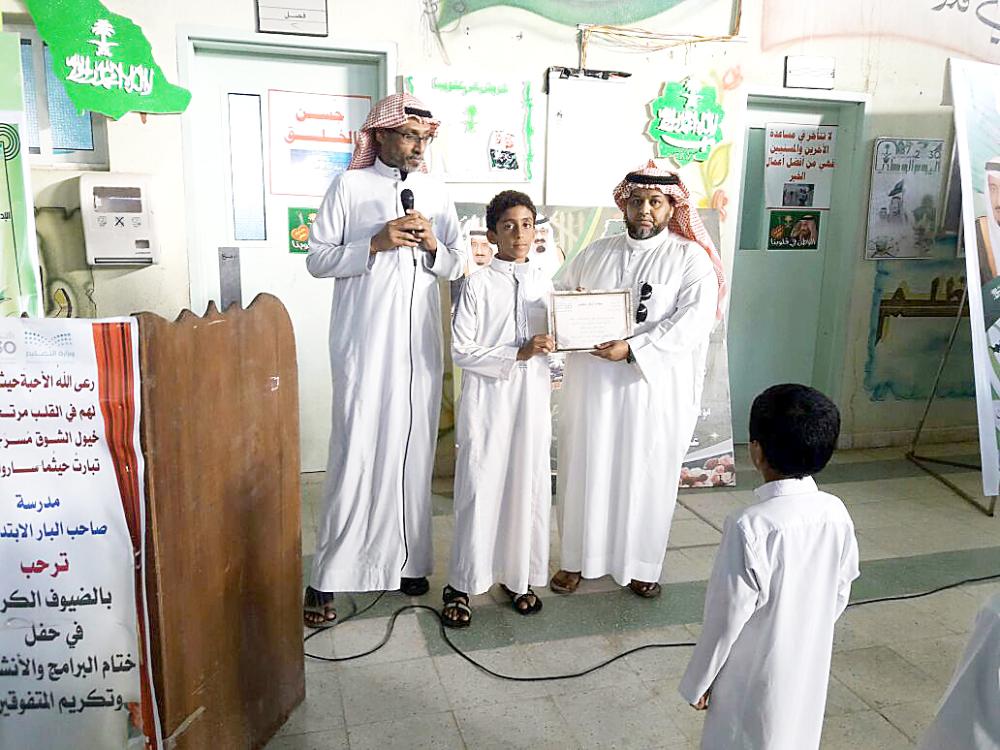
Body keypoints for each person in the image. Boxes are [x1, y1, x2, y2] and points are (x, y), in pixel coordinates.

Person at [302, 93, 465, 626]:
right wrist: (373, 243)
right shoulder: (348, 186)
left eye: (424, 138)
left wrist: (435, 245)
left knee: (413, 452)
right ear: (381, 135)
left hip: (419, 347)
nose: (418, 147)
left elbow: (458, 263)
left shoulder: (436, 191)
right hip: (365, 344)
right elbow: (317, 260)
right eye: (409, 136)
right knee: (357, 450)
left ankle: (410, 563)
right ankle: (328, 575)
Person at [549, 161, 725, 599]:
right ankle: (575, 560)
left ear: (672, 208)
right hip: (593, 390)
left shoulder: (689, 259)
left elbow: (694, 321)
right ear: (624, 205)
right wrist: (571, 311)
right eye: (637, 201)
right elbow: (557, 296)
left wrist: (632, 349)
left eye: (655, 202)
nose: (645, 210)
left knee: (645, 474)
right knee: (585, 469)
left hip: (651, 392)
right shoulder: (596, 253)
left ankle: (641, 564)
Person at [679, 383, 860, 750]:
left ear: (757, 451)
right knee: (795, 734)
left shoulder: (749, 526)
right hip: (807, 661)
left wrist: (700, 680)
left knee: (743, 736)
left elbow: (726, 616)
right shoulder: (835, 512)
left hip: (749, 671)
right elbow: (842, 586)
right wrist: (805, 630)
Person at [442, 191, 553, 627]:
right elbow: (462, 350)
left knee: (526, 484)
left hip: (532, 399)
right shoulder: (477, 284)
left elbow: (557, 342)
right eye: (508, 226)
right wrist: (517, 352)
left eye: (526, 225)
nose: (519, 234)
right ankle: (462, 583)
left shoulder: (545, 282)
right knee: (480, 484)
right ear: (491, 235)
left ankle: (516, 576)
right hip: (488, 400)